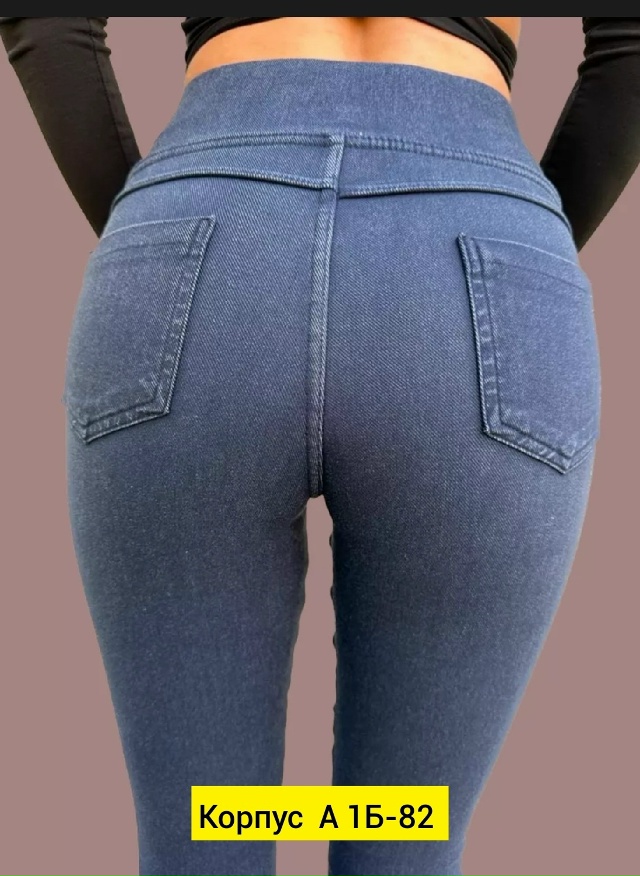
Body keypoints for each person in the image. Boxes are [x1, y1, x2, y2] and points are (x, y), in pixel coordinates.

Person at [1, 17, 638, 876]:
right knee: (408, 837)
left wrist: (155, 236)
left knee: (203, 836)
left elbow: (47, 19)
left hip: (208, 217)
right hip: (474, 229)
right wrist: (518, 250)